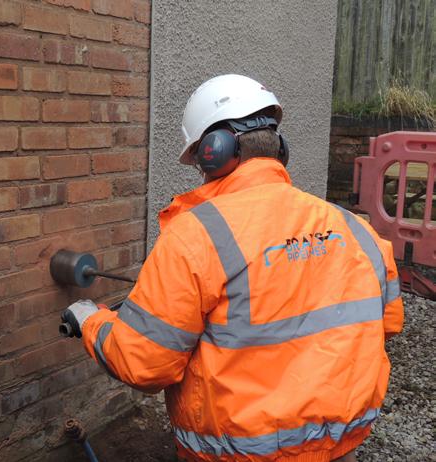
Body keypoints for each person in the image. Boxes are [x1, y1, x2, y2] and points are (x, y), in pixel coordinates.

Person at [61, 74, 404, 461]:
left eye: (200, 160)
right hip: (338, 447)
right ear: (279, 149)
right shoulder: (357, 230)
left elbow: (145, 364)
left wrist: (91, 321)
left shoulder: (196, 236)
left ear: (214, 150)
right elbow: (387, 324)